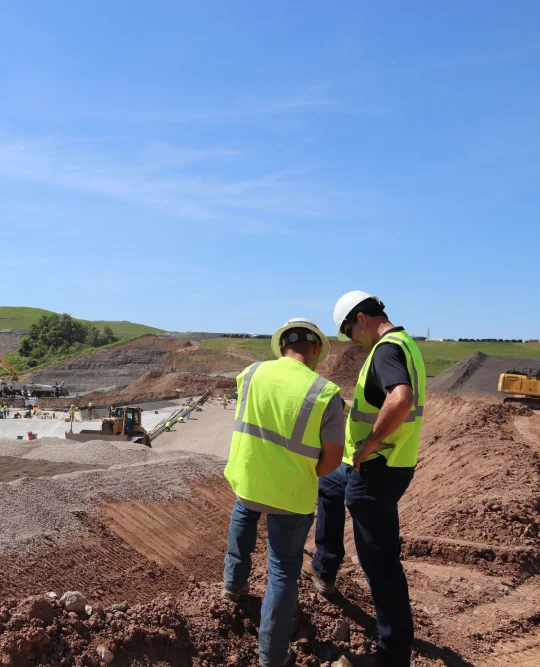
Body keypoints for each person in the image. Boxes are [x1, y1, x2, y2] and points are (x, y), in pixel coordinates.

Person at [303, 291, 426, 667]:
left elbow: (401, 399)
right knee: (329, 483)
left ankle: (392, 654)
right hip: (384, 464)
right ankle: (325, 569)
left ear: (362, 318)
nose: (352, 340)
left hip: (378, 470)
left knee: (381, 564)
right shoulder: (405, 343)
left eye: (349, 331)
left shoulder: (387, 350)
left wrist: (372, 442)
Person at [223, 318, 345, 667]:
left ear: (281, 347)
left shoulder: (250, 373)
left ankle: (233, 586)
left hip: (248, 480)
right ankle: (272, 656)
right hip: (291, 496)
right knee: (282, 570)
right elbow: (332, 461)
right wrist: (302, 474)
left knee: (244, 514)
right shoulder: (325, 393)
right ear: (317, 349)